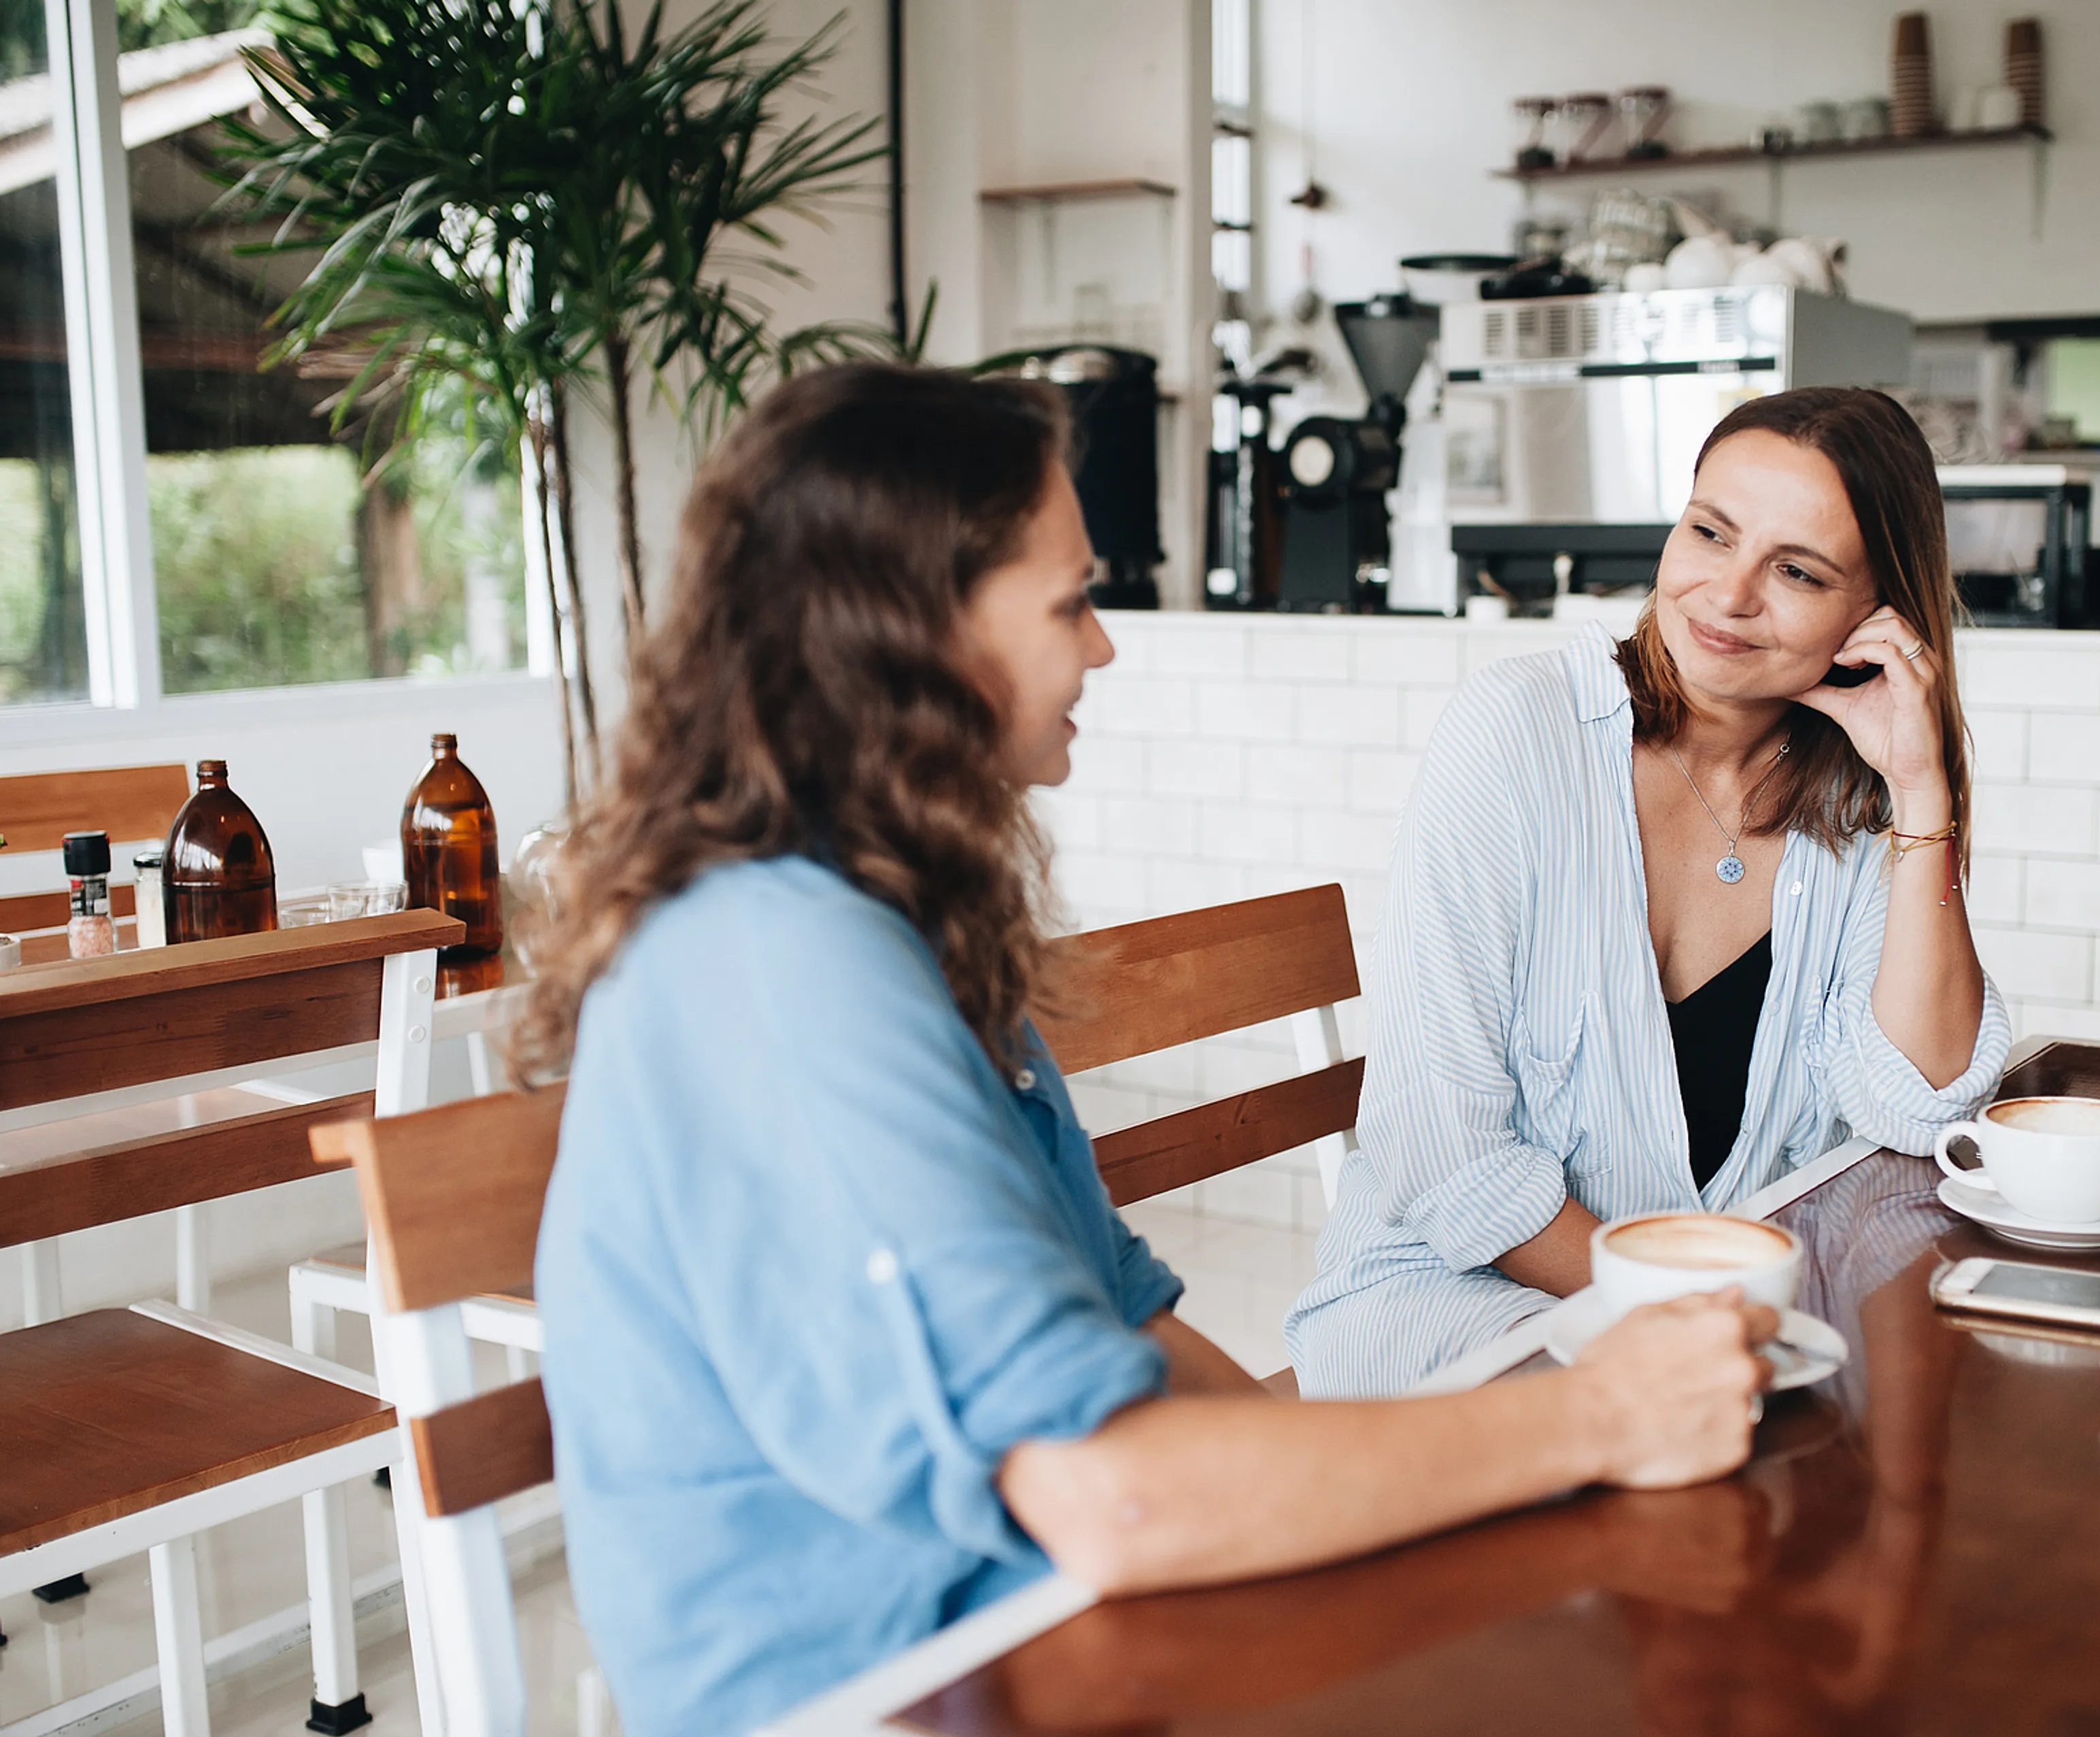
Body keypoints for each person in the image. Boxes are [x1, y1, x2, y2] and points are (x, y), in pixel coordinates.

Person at [524, 363, 1780, 1737]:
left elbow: (1129, 1327)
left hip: (1051, 1643)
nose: (1103, 646)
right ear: (908, 635)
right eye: (1071, 601)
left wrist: (1347, 1505)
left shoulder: (890, 922)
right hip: (890, 1692)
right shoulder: (779, 966)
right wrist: (1595, 1416)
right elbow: (1112, 1491)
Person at [1286, 386, 2010, 1397]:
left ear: (1876, 614)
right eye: (1710, 532)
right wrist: (1689, 1318)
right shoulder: (1516, 732)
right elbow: (1442, 1151)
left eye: (1797, 570)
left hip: (1712, 1340)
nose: (1727, 594)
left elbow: (1916, 1105)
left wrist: (1922, 790)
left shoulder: (1856, 800)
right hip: (1448, 1312)